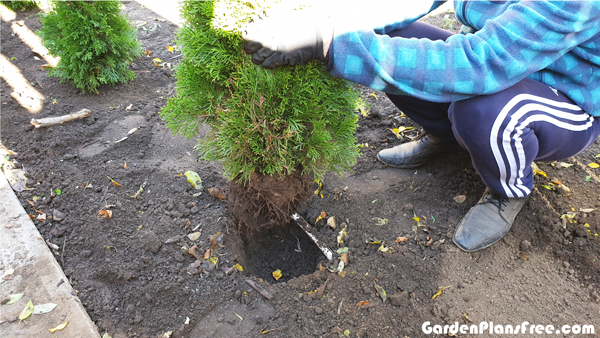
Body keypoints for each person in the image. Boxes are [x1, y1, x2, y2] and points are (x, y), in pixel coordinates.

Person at [243, 0, 600, 252]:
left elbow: (479, 65)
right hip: (491, 64)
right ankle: (448, 136)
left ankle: (508, 190)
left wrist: (331, 47)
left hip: (564, 97)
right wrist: (332, 22)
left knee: (483, 109)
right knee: (385, 34)